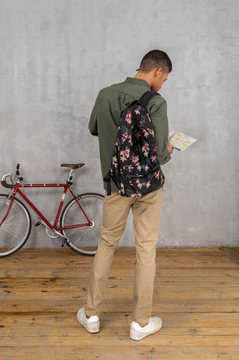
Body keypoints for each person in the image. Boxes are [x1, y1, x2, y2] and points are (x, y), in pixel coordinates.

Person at [77, 49, 173, 341]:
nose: (163, 83)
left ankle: (91, 315)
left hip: (116, 185)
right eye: (165, 78)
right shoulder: (156, 102)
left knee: (107, 243)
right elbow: (160, 155)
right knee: (146, 249)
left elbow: (94, 128)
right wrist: (168, 147)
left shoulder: (105, 94)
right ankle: (141, 323)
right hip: (148, 189)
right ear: (157, 71)